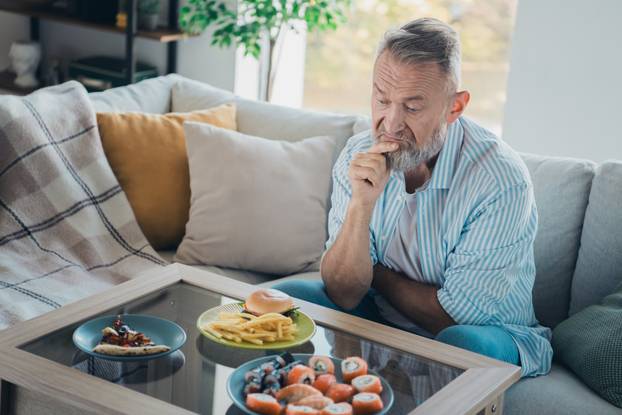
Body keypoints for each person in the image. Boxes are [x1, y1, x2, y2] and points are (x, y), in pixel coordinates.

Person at [274, 17, 552, 377]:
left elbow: (455, 315)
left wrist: (376, 275)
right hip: (383, 313)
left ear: (455, 107)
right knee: (285, 301)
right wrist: (362, 205)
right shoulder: (358, 154)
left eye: (412, 107)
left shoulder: (501, 182)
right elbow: (344, 293)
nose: (390, 124)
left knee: (461, 344)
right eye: (381, 99)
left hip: (491, 333)